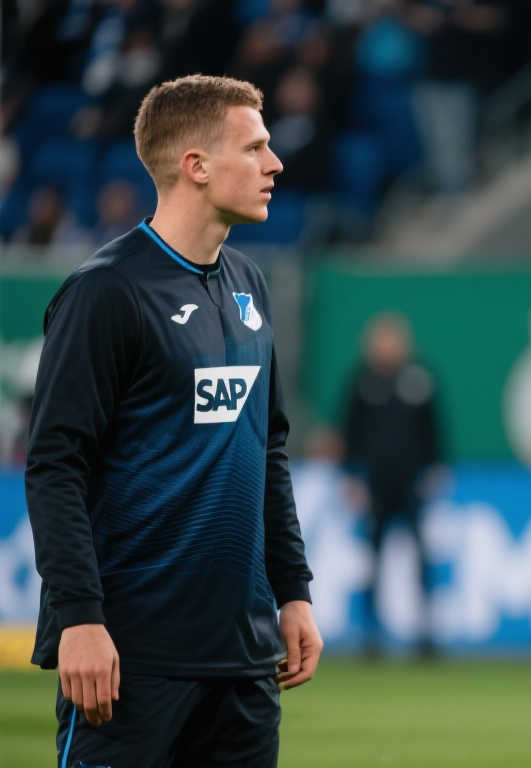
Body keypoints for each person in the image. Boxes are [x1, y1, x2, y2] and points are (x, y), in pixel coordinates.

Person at [25, 74, 322, 767]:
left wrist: (294, 592)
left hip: (243, 659)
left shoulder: (250, 284)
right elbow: (55, 465)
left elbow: (267, 450)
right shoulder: (105, 292)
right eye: (254, 148)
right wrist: (79, 618)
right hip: (131, 656)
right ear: (196, 166)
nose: (275, 163)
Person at [339, 312, 444, 655]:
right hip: (375, 484)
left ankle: (426, 629)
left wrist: (435, 468)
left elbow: (433, 429)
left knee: (421, 557)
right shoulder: (362, 382)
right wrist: (352, 477)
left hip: (411, 482)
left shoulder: (419, 379)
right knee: (373, 558)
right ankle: (370, 633)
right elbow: (349, 432)